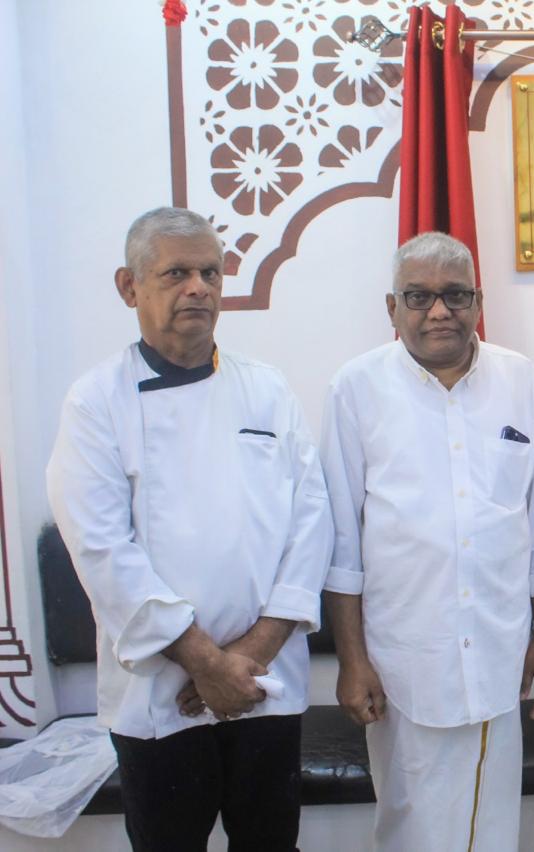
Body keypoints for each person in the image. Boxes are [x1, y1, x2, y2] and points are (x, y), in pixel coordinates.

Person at [46, 207, 333, 851]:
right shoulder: (96, 403)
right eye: (176, 273)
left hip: (264, 685)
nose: (198, 287)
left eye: (209, 271)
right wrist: (205, 663)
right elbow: (100, 549)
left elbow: (311, 521)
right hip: (159, 697)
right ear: (129, 288)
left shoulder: (267, 390)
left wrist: (248, 658)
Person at [320, 231, 534, 851]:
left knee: (489, 825)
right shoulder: (356, 387)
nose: (439, 311)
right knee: (406, 818)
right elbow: (342, 542)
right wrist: (353, 660)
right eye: (419, 296)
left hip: (494, 648)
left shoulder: (520, 380)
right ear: (391, 307)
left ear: (478, 301)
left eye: (455, 295)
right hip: (403, 656)